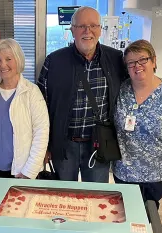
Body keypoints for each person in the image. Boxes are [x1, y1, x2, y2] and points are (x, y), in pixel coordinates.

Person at [37, 6, 128, 182]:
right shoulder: (54, 61)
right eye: (81, 26)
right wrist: (44, 146)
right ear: (72, 30)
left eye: (93, 26)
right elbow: (41, 106)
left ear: (100, 30)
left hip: (99, 144)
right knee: (64, 200)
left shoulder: (116, 59)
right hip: (63, 145)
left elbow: (134, 88)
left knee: (95, 198)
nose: (88, 31)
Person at [112, 40, 162, 208]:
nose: (137, 66)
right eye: (131, 63)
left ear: (154, 61)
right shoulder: (121, 89)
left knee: (148, 214)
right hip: (124, 171)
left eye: (143, 60)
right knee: (126, 214)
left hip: (157, 172)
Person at [0, 38, 49, 187]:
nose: (3, 65)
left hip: (22, 172)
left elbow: (41, 133)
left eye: (8, 59)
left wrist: (29, 171)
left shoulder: (32, 93)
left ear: (18, 60)